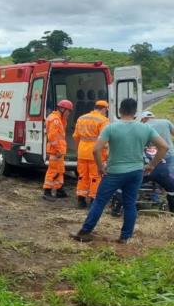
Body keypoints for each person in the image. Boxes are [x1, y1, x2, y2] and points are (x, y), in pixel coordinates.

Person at [72, 98, 169, 243]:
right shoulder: (145, 128)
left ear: (120, 111)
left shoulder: (111, 128)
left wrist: (100, 167)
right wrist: (151, 165)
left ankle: (85, 232)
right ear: (135, 112)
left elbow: (97, 149)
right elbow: (164, 147)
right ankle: (125, 237)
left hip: (114, 172)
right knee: (130, 204)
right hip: (136, 172)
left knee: (99, 201)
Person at [73, 100, 109, 208]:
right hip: (95, 153)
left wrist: (78, 150)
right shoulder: (103, 120)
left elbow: (76, 137)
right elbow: (104, 139)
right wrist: (107, 153)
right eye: (106, 111)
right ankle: (93, 200)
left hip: (82, 152)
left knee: (82, 176)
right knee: (95, 177)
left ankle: (81, 199)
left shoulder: (81, 118)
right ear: (104, 109)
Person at [141, 110, 174, 212]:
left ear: (143, 119)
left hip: (150, 157)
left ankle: (153, 196)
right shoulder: (166, 122)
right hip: (168, 156)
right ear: (153, 117)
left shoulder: (142, 126)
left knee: (150, 175)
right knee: (168, 181)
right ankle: (170, 208)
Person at [43, 99, 74, 201]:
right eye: (68, 111)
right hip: (56, 151)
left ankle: (59, 190)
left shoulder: (58, 118)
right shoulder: (55, 120)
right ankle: (47, 191)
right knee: (53, 171)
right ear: (62, 109)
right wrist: (58, 150)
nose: (69, 113)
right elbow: (53, 137)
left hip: (58, 150)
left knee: (60, 170)